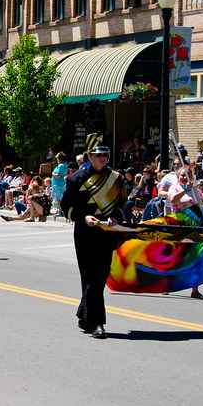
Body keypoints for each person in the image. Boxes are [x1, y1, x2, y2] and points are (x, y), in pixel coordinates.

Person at [59, 134, 127, 340]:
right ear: (89, 155)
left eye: (105, 154)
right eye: (98, 155)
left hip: (107, 232)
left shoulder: (116, 178)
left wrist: (116, 217)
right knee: (91, 276)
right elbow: (66, 207)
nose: (102, 158)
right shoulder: (76, 178)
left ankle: (85, 312)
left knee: (101, 275)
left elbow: (121, 205)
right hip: (85, 232)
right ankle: (97, 322)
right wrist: (83, 217)